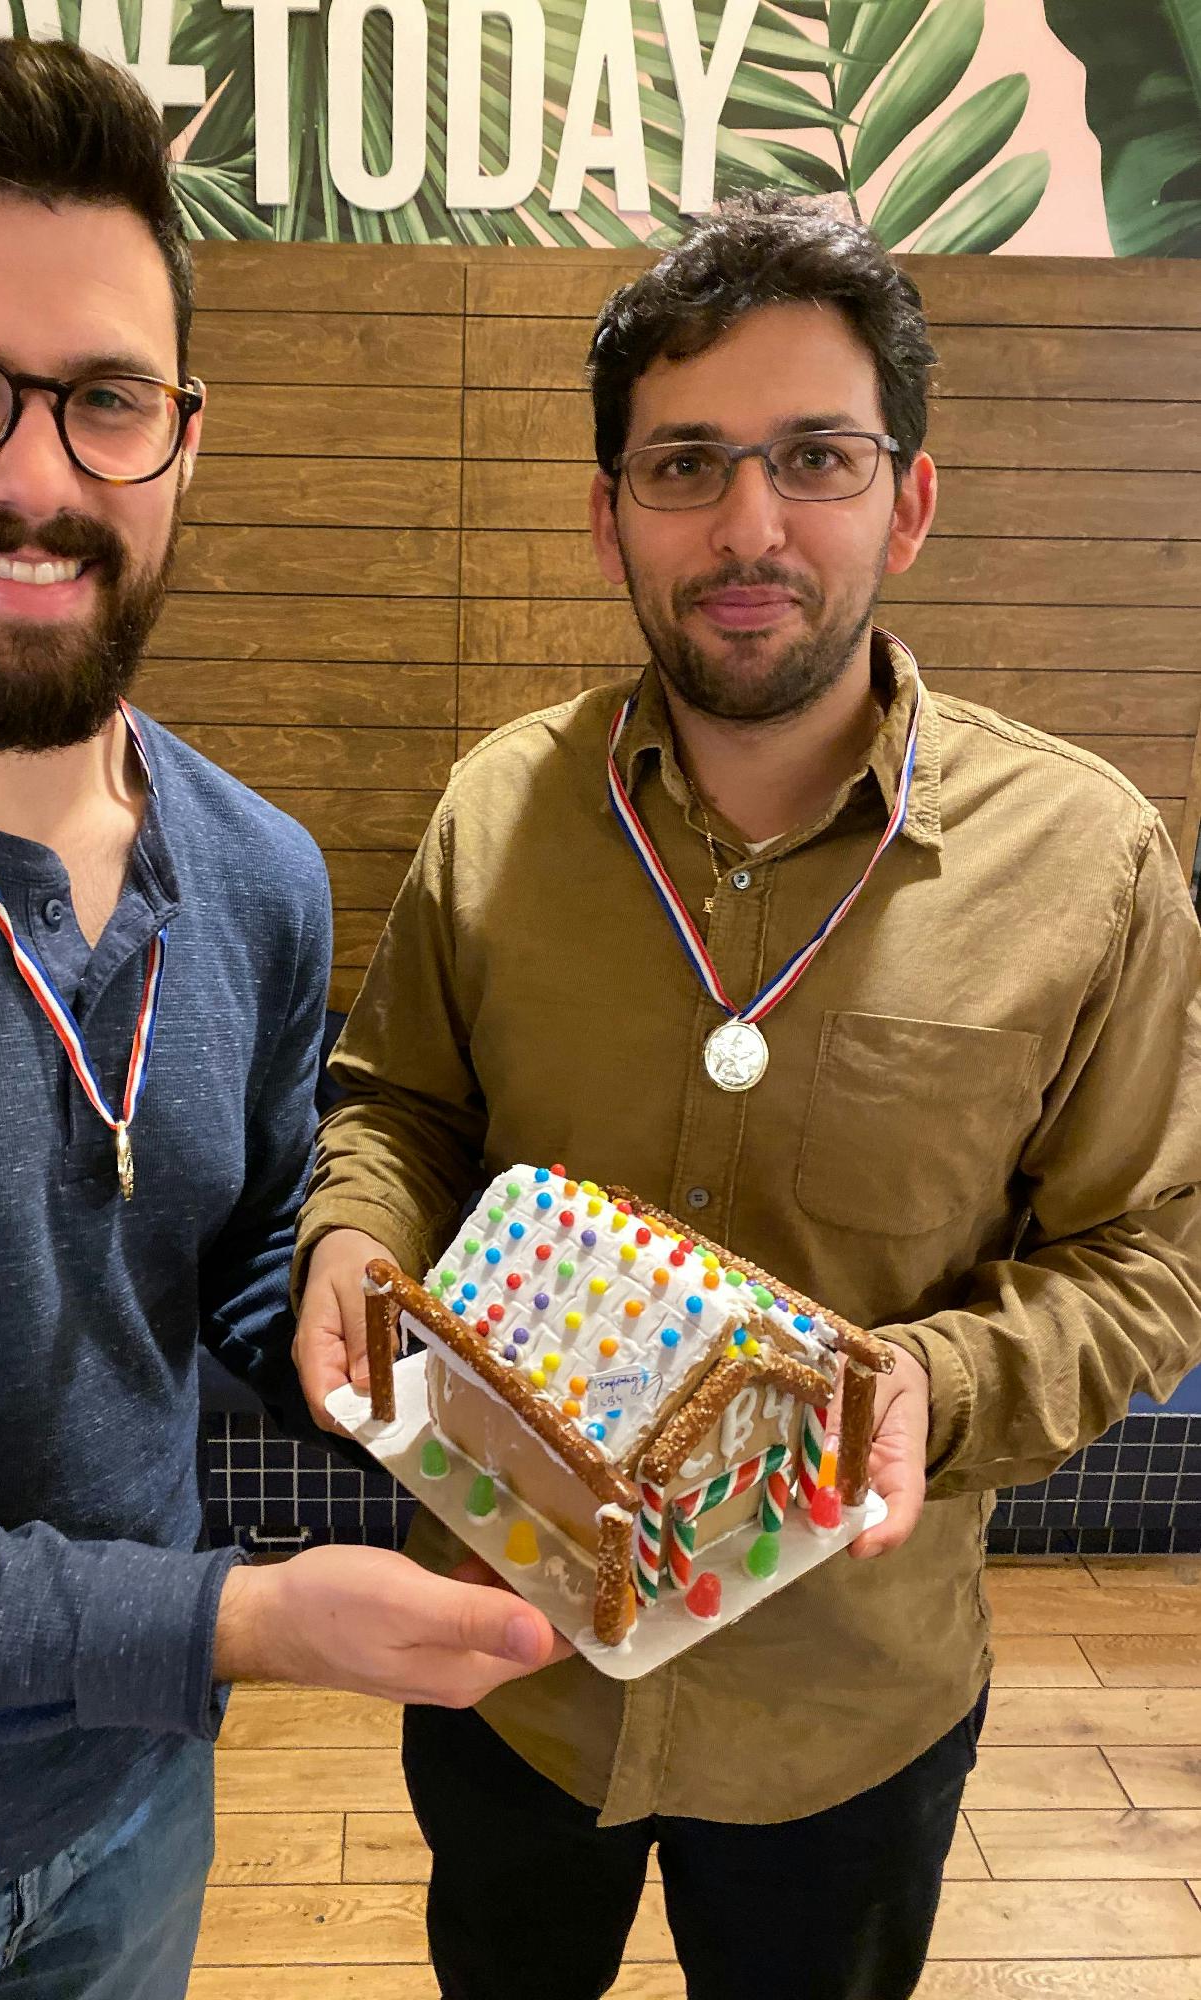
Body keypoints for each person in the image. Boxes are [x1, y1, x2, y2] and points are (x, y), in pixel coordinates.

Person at [0, 36, 564, 1997]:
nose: (32, 477)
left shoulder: (253, 869)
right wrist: (236, 1624)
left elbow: (241, 1248)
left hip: (135, 1813)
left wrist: (447, 1394)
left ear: (184, 432)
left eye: (102, 398)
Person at [294, 192, 1201, 2000]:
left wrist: (916, 1393)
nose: (750, 525)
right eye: (686, 464)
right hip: (507, 1658)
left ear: (908, 498)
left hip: (847, 1708)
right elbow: (399, 1107)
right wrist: (350, 1225)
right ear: (611, 514)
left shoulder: (1087, 864)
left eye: (816, 458)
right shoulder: (501, 813)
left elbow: (1147, 1259)